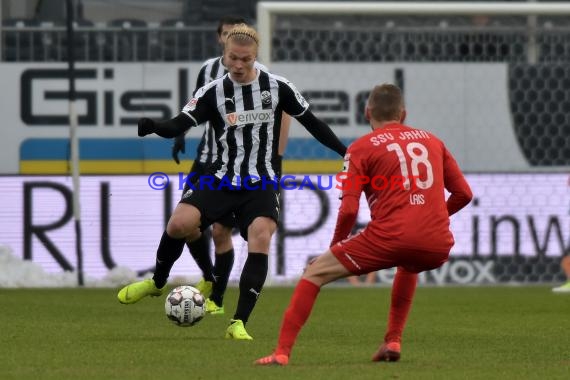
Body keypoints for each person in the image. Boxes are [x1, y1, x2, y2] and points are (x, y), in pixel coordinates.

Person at [117, 24, 346, 340]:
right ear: (224, 55)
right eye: (233, 59)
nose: (238, 65)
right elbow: (178, 124)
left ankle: (238, 322)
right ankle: (157, 282)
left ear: (255, 57)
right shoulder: (212, 92)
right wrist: (154, 126)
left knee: (260, 235)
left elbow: (315, 124)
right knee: (179, 224)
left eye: (246, 59)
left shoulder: (278, 87)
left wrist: (347, 151)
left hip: (260, 182)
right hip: (220, 178)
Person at [255, 83, 473, 365]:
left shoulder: (360, 148)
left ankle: (282, 353)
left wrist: (333, 248)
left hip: (390, 237)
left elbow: (348, 210)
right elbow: (464, 194)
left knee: (314, 273)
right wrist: (437, 217)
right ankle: (393, 340)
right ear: (403, 114)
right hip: (436, 243)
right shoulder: (433, 141)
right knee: (409, 264)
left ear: (366, 112)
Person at [169, 16, 291, 316]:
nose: (232, 43)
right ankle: (210, 277)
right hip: (205, 159)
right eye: (225, 36)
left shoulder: (260, 77)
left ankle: (218, 297)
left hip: (242, 167)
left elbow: (283, 114)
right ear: (221, 40)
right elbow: (194, 105)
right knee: (187, 225)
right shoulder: (208, 72)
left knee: (222, 232)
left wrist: (276, 159)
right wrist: (180, 134)